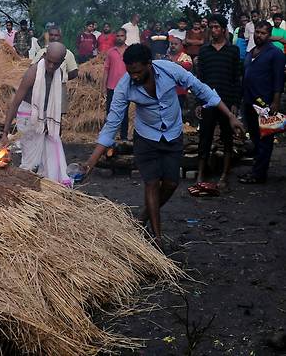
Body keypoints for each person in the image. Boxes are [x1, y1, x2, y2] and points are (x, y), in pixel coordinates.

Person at [84, 44, 243, 247]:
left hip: (172, 134)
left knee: (171, 183)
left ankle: (143, 219)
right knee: (151, 183)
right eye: (130, 72)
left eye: (138, 72)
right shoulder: (125, 86)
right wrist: (90, 163)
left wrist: (230, 116)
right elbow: (112, 123)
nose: (134, 76)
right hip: (146, 137)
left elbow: (202, 90)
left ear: (149, 65)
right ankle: (157, 239)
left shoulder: (170, 69)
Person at [0, 43, 70, 183]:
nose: (51, 66)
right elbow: (16, 102)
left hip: (46, 118)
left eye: (55, 64)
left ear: (62, 62)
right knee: (30, 161)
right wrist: (5, 132)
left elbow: (55, 102)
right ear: (44, 56)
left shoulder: (59, 73)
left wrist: (57, 124)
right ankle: (23, 190)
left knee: (48, 156)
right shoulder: (33, 72)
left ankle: (47, 187)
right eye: (49, 61)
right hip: (28, 117)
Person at [192, 14, 242, 191]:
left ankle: (224, 175)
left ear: (223, 29)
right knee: (204, 136)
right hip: (207, 101)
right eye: (211, 27)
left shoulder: (233, 50)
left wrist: (235, 103)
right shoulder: (204, 51)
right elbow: (200, 79)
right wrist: (198, 102)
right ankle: (200, 174)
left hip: (227, 100)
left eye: (216, 27)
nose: (213, 30)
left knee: (227, 138)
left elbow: (237, 78)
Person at [240, 21, 286, 184]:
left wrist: (275, 102)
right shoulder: (251, 52)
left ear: (269, 34)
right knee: (254, 137)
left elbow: (279, 80)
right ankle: (256, 169)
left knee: (265, 139)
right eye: (257, 32)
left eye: (263, 33)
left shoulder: (275, 53)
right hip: (248, 101)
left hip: (265, 104)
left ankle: (259, 174)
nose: (259, 35)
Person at [102, 28, 129, 141]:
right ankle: (108, 137)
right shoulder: (110, 52)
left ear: (125, 37)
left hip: (126, 88)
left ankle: (123, 137)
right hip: (111, 87)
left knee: (124, 113)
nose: (119, 38)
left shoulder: (129, 51)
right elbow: (106, 70)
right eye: (117, 36)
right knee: (110, 112)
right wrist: (103, 87)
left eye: (121, 36)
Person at [166, 36, 193, 114]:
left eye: (175, 44)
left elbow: (189, 65)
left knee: (177, 111)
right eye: (171, 44)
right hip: (166, 90)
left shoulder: (184, 56)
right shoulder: (166, 55)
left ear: (181, 46)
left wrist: (177, 64)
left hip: (179, 91)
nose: (173, 46)